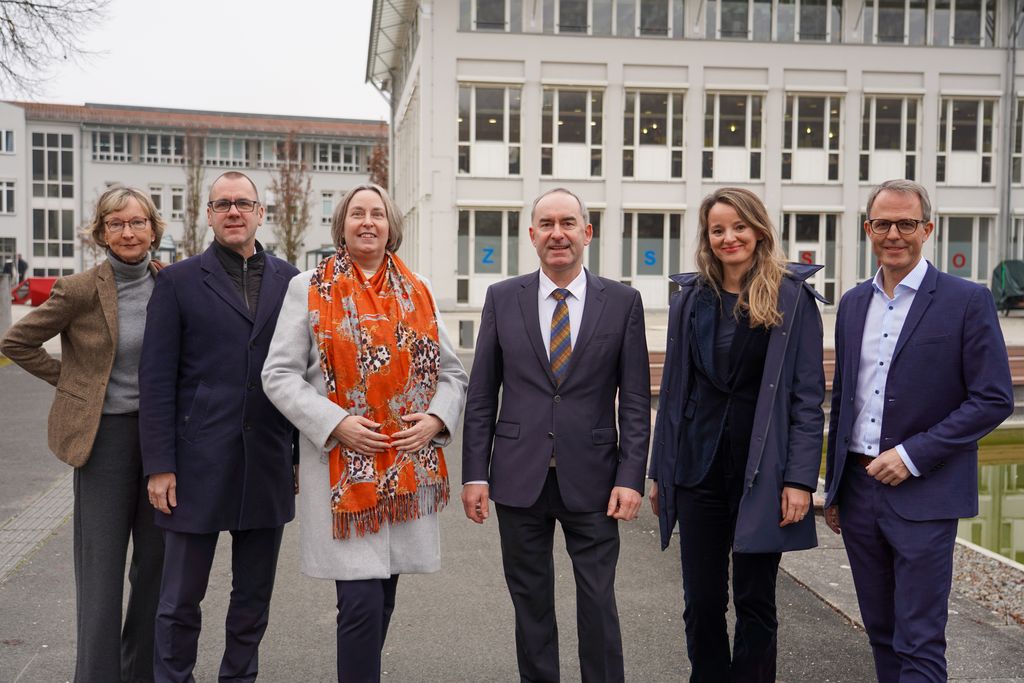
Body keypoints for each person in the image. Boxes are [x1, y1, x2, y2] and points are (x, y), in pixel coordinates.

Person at [262, 183, 468, 682]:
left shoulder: (417, 287)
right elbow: (279, 374)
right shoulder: (309, 286)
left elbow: (452, 373)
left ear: (391, 226)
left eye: (378, 213)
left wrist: (436, 419)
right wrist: (336, 423)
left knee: (383, 597)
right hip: (343, 471)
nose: (368, 222)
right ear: (342, 225)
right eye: (358, 213)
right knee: (358, 601)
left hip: (403, 468)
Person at [824, 179, 1013, 683]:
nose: (894, 234)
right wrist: (835, 486)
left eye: (906, 223)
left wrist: (912, 455)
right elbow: (843, 398)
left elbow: (993, 399)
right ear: (868, 230)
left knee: (921, 639)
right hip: (859, 491)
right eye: (883, 223)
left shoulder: (966, 301)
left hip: (924, 493)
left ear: (927, 229)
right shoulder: (852, 304)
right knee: (880, 631)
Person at [461, 187, 650, 683]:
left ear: (587, 233)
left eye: (568, 223)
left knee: (597, 601)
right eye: (546, 224)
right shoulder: (503, 298)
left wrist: (631, 476)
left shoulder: (623, 302)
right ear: (532, 235)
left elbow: (633, 400)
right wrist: (474, 475)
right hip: (518, 477)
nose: (557, 233)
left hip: (593, 478)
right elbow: (482, 394)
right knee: (530, 605)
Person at [647, 187, 825, 682]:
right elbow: (675, 390)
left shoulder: (792, 297)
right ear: (707, 237)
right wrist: (661, 471)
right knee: (701, 602)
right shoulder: (690, 299)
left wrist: (800, 480)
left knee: (755, 602)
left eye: (738, 227)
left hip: (761, 475)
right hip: (697, 471)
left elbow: (807, 399)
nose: (729, 238)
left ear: (758, 229)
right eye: (718, 229)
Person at [139, 171, 299, 683]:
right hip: (195, 463)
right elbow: (157, 379)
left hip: (268, 461)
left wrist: (295, 455)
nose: (234, 211)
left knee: (253, 599)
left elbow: (304, 373)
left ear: (260, 213)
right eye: (222, 203)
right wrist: (160, 465)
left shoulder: (293, 282)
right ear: (207, 215)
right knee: (180, 600)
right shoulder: (178, 281)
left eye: (243, 203)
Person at [1, 186, 166, 682]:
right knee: (101, 574)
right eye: (116, 223)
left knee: (156, 569)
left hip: (161, 444)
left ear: (154, 229)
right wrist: (76, 386)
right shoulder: (79, 289)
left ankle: (142, 672)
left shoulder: (171, 284)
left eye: (137, 222)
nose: (128, 232)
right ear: (101, 232)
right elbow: (17, 341)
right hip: (104, 444)